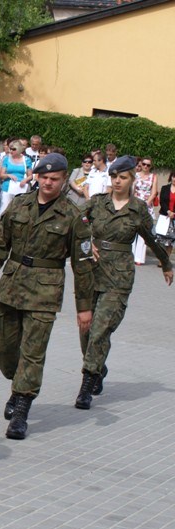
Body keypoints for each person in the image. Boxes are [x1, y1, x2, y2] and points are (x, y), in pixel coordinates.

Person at [0, 153, 94, 440]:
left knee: (33, 351)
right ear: (37, 177)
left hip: (46, 290)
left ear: (64, 179)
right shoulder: (20, 204)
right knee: (2, 344)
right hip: (13, 283)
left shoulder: (73, 215)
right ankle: (19, 382)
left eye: (54, 179)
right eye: (44, 177)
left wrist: (84, 307)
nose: (48, 183)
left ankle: (21, 408)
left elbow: (82, 266)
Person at [75, 156, 173, 409]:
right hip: (91, 273)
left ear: (132, 179)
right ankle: (98, 368)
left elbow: (152, 239)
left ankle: (86, 384)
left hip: (118, 278)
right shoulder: (97, 202)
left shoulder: (138, 209)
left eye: (123, 177)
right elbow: (74, 222)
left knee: (100, 330)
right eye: (114, 177)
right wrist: (87, 242)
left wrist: (166, 264)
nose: (117, 181)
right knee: (86, 331)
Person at [0, 140, 33, 227]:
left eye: (13, 149)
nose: (11, 151)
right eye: (10, 149)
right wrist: (8, 175)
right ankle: (0, 229)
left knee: (18, 211)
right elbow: (1, 175)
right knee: (4, 210)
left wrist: (25, 180)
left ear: (19, 149)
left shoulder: (26, 160)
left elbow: (30, 176)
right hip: (7, 187)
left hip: (21, 188)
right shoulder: (6, 159)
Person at [132, 157, 158, 265]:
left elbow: (154, 192)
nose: (146, 166)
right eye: (144, 164)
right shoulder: (135, 175)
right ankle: (130, 255)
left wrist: (146, 204)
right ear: (141, 164)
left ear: (151, 166)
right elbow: (132, 190)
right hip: (135, 203)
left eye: (148, 165)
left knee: (143, 232)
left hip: (147, 205)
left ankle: (139, 258)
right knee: (132, 230)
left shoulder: (153, 177)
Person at [155, 171, 175, 258]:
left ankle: (166, 259)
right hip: (164, 216)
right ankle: (161, 259)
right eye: (174, 176)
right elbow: (162, 201)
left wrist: (173, 213)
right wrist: (168, 211)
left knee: (171, 240)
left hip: (174, 218)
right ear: (171, 177)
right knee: (161, 239)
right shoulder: (165, 188)